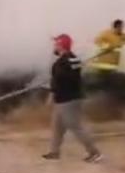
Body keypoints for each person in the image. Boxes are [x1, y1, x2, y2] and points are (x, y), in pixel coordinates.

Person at [43, 34, 103, 163]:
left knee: (76, 127)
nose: (54, 46)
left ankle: (95, 153)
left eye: (56, 44)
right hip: (66, 99)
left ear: (61, 45)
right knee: (57, 126)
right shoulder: (73, 59)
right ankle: (54, 152)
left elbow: (59, 81)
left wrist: (51, 94)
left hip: (67, 100)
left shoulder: (62, 63)